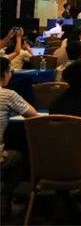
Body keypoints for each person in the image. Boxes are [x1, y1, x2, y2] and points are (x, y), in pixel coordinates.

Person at [0, 56, 37, 218]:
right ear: (4, 74)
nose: (11, 75)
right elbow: (33, 114)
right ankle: (5, 197)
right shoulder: (8, 95)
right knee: (21, 156)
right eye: (10, 71)